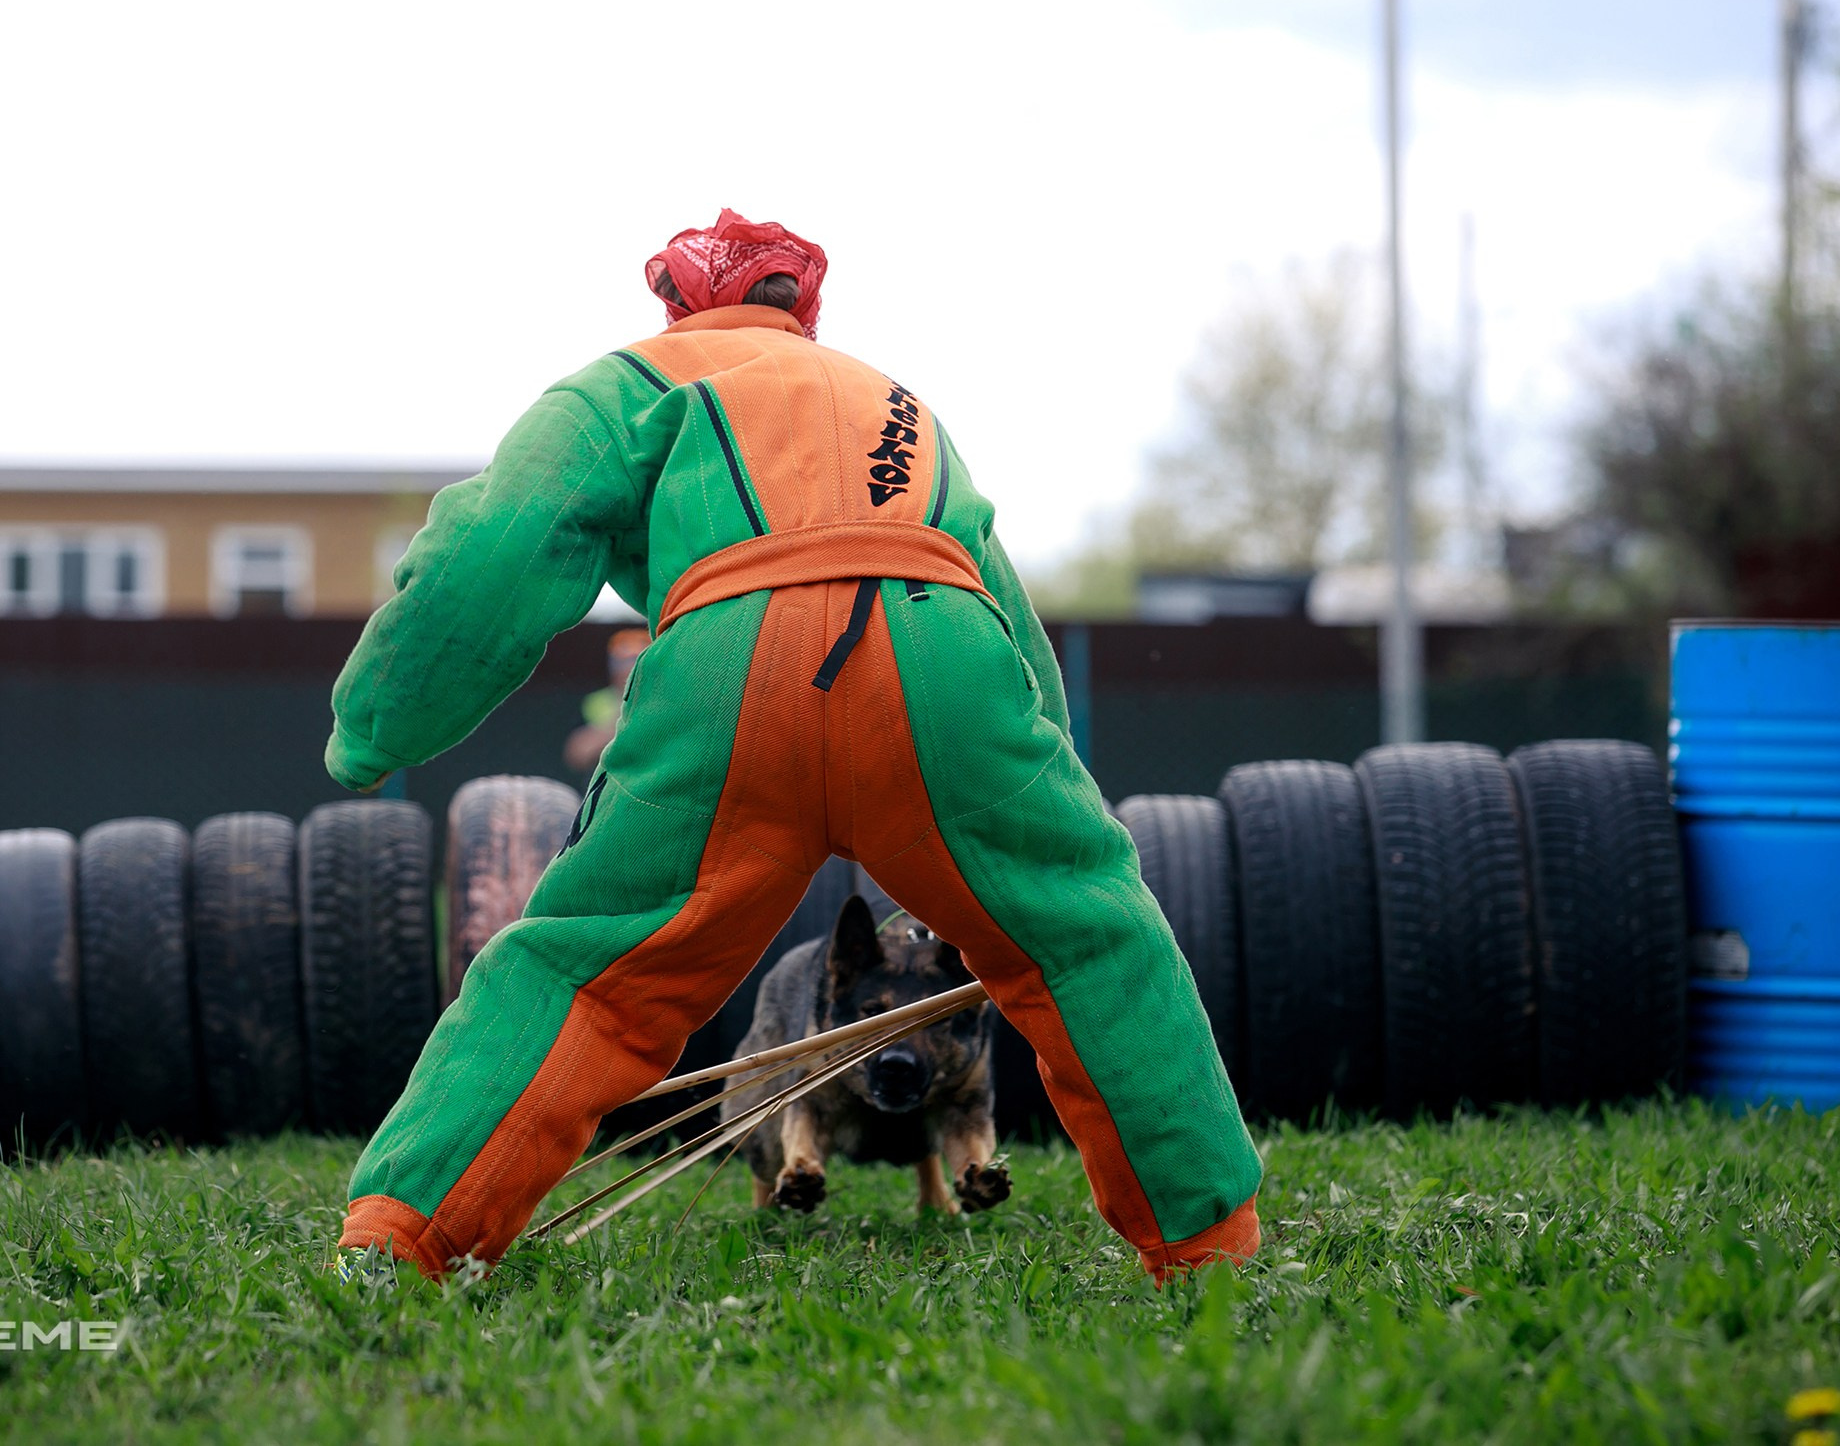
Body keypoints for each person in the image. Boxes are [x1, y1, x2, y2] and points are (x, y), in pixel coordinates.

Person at [326, 210, 1260, 1282]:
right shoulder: (895, 404)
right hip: (940, 653)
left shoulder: (624, 384)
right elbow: (999, 602)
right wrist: (1057, 792)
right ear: (801, 310)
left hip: (732, 669)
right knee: (1089, 941)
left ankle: (405, 1240)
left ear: (674, 302)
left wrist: (377, 726)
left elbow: (489, 551)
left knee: (585, 973)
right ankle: (1207, 1247)